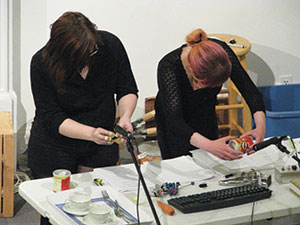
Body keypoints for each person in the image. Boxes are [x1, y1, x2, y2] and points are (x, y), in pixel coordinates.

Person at [155, 28, 266, 160]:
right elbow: (174, 120)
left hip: (205, 115)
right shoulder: (168, 66)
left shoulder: (221, 56)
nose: (200, 89)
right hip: (174, 123)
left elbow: (250, 91)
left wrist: (260, 126)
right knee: (181, 165)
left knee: (209, 165)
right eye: (201, 84)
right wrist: (210, 145)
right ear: (191, 69)